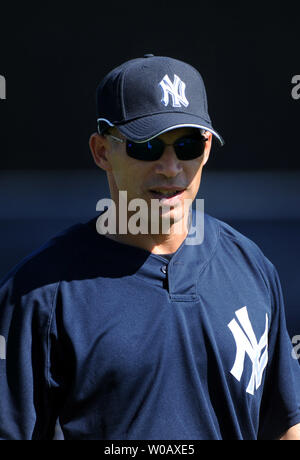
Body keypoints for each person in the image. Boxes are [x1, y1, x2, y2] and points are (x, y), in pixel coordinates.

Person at [0, 54, 300, 441]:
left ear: (207, 149)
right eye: (147, 146)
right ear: (102, 151)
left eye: (188, 144)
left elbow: (284, 425)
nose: (171, 167)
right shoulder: (37, 295)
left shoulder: (251, 266)